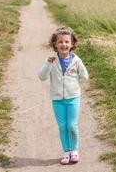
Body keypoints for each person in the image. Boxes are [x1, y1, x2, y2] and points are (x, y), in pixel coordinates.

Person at [38, 27, 89, 165]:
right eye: (60, 42)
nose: (63, 45)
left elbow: (84, 77)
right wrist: (48, 63)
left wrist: (73, 85)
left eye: (67, 42)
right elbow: (42, 77)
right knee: (62, 126)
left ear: (72, 44)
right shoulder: (51, 60)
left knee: (71, 125)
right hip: (57, 99)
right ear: (55, 44)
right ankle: (66, 152)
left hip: (73, 98)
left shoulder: (76, 61)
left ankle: (75, 151)